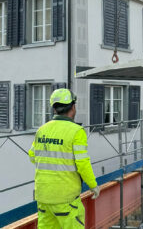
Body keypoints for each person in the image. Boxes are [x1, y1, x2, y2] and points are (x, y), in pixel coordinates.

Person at [28, 89, 100, 228]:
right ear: (73, 107)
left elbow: (32, 157)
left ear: (54, 109)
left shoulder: (41, 130)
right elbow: (82, 164)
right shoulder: (76, 131)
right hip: (66, 198)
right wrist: (93, 185)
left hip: (43, 197)